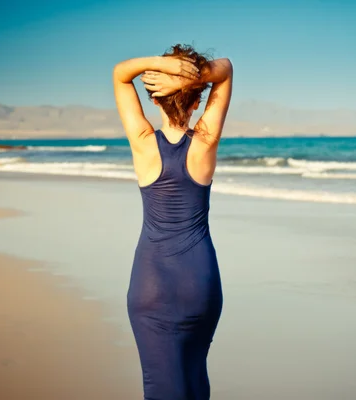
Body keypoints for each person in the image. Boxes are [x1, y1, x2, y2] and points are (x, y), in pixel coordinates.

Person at [113, 44, 233, 399]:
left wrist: (161, 65)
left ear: (154, 99)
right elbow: (225, 71)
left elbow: (120, 74)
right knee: (195, 381)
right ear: (197, 100)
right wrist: (191, 72)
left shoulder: (143, 144)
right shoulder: (205, 144)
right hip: (201, 283)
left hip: (152, 285)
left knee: (162, 386)